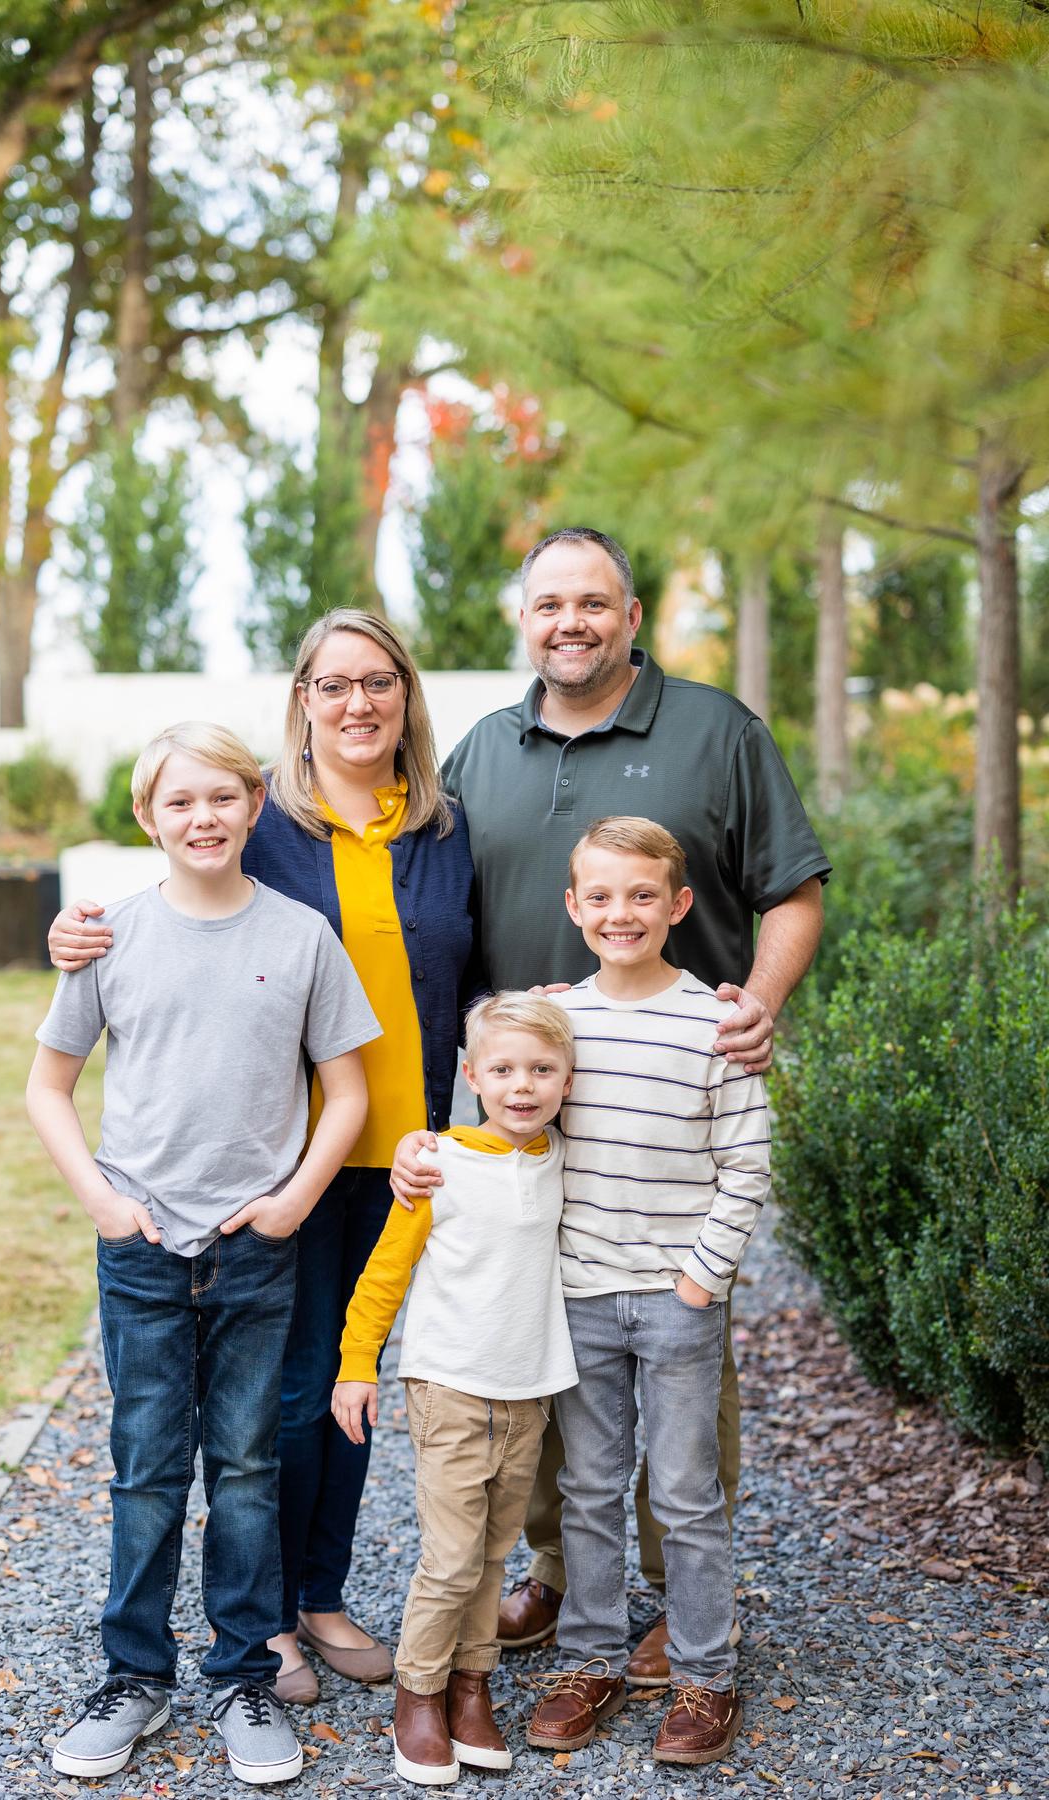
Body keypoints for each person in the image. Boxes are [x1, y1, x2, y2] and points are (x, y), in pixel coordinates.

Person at [393, 525, 829, 1683]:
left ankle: (673, 1593)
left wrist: (760, 1003)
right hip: (522, 1129)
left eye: (594, 603)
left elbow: (794, 890)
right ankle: (560, 1575)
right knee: (535, 1351)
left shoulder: (715, 733)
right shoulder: (482, 753)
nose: (569, 623)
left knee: (682, 1376)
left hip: (671, 1119)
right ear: (523, 619)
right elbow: (417, 913)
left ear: (632, 617)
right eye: (548, 605)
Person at [46, 612, 480, 1702]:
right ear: (302, 702)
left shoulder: (442, 830)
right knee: (285, 1394)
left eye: (377, 682)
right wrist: (67, 937)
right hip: (286, 1158)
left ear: (404, 694)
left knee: (355, 1377)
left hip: (400, 1144)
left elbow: (480, 965)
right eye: (332, 685)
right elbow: (173, 910)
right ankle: (271, 1617)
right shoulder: (271, 823)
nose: (357, 704)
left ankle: (320, 1593)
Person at [26, 722, 380, 1785]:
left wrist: (291, 1203)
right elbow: (49, 1085)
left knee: (245, 1467)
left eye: (223, 798)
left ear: (254, 804)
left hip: (255, 1251)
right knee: (145, 1472)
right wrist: (101, 1201)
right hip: (140, 1249)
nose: (204, 819)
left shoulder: (304, 935)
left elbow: (349, 1092)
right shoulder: (110, 936)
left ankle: (243, 1678)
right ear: (148, 818)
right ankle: (134, 1674)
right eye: (180, 803)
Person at [519, 816, 769, 1766]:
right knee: (586, 1488)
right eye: (601, 896)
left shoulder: (716, 1022)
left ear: (678, 905)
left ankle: (706, 1673)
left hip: (676, 1301)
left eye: (641, 896)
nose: (620, 913)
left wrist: (701, 1280)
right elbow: (509, 1109)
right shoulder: (558, 1023)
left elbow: (745, 1164)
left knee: (685, 1491)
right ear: (574, 906)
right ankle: (588, 1661)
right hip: (581, 1295)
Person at [332, 993, 579, 1786]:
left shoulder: (560, 1159)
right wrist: (356, 1366)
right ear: (470, 1075)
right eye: (502, 1069)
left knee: (495, 1553)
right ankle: (420, 1694)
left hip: (527, 1391)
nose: (522, 1085)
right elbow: (383, 1275)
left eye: (542, 1070)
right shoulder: (436, 1164)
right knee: (449, 1558)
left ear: (568, 1082)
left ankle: (474, 1689)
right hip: (448, 1387)